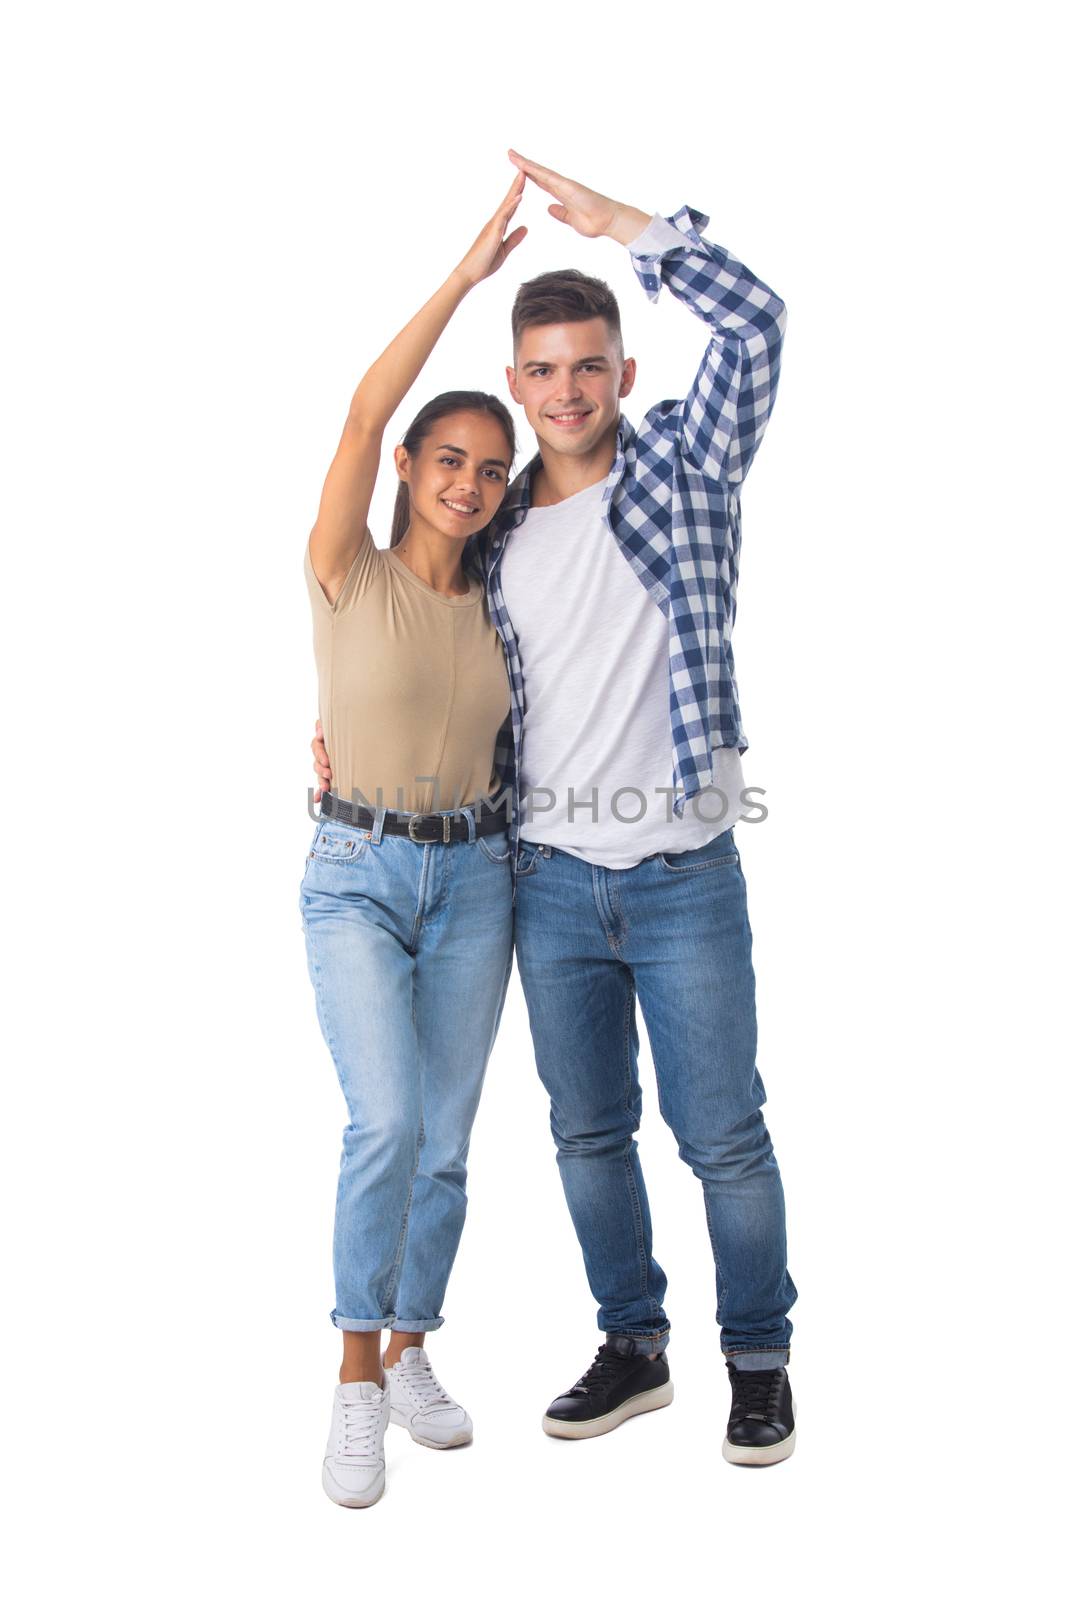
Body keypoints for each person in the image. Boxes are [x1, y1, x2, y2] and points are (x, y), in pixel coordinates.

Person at [313, 153, 798, 1468]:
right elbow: (449, 679)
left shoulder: (689, 465)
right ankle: (632, 1344)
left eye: (591, 366)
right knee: (587, 1131)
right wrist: (361, 747)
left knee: (722, 1134)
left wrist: (629, 226)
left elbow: (757, 321)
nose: (569, 390)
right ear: (520, 387)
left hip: (684, 867)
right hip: (539, 879)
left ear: (623, 376)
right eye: (545, 372)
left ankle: (758, 1360)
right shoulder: (501, 522)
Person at [300, 173, 528, 1508]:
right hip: (355, 878)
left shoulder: (500, 608)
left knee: (445, 1140)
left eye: (490, 472)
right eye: (450, 460)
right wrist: (461, 281)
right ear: (408, 470)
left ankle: (410, 1348)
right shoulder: (348, 569)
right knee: (383, 1122)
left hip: (478, 881)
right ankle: (350, 1380)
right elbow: (360, 408)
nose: (471, 483)